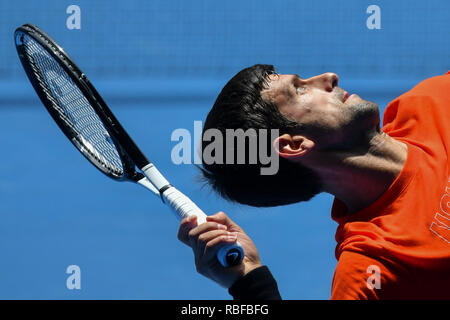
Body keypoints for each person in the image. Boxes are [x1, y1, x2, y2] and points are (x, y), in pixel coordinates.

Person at [177, 64, 450, 299]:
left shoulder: (432, 99)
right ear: (294, 145)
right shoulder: (371, 267)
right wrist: (250, 281)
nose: (329, 77)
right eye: (300, 89)